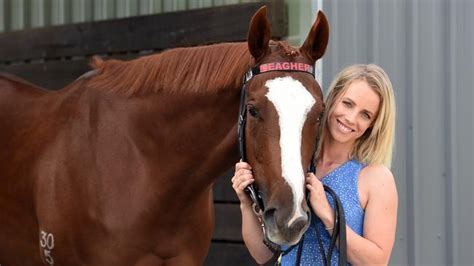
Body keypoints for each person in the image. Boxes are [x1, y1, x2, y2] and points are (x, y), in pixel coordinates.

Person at [231, 64, 398, 265]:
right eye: (347, 103)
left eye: (366, 115)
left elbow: (376, 262)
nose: (351, 118)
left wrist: (328, 215)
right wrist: (245, 204)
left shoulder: (375, 178)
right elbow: (264, 255)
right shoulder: (294, 167)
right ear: (333, 97)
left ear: (373, 124)